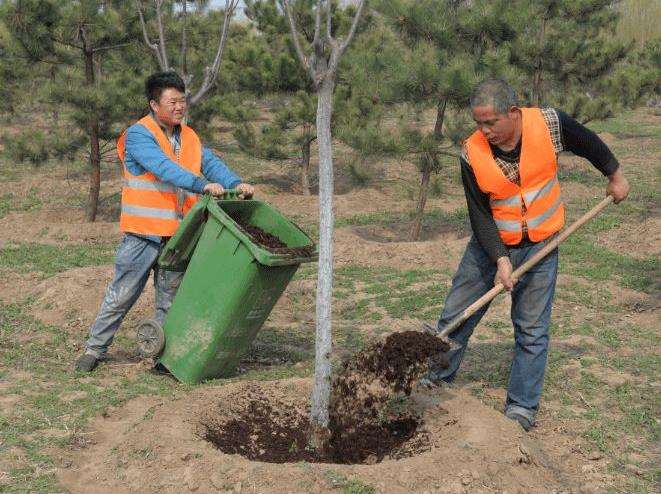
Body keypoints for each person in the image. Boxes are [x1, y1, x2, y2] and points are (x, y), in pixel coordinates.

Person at [424, 79, 629, 431]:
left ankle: (520, 408)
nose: (485, 131)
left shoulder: (549, 124)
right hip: (490, 245)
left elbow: (589, 143)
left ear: (514, 113)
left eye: (491, 122)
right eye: (479, 123)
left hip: (541, 244)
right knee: (455, 316)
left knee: (532, 329)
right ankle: (434, 380)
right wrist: (501, 259)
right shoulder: (471, 151)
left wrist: (615, 175)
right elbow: (480, 213)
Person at [74, 71, 254, 372]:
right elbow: (163, 168)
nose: (179, 107)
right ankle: (94, 349)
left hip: (178, 236)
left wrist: (237, 182)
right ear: (154, 104)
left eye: (182, 101)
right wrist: (201, 184)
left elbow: (210, 163)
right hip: (142, 236)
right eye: (172, 101)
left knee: (171, 299)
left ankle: (162, 357)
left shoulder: (189, 137)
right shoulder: (139, 135)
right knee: (121, 296)